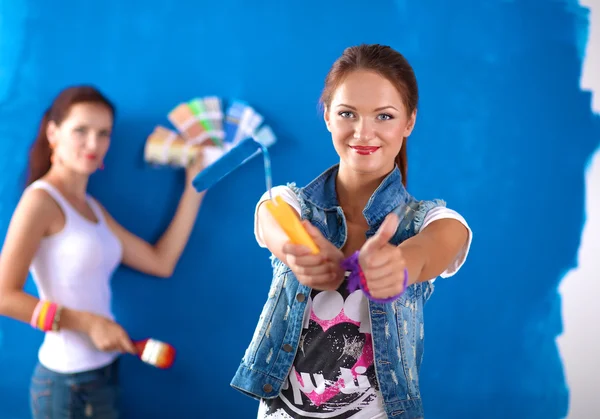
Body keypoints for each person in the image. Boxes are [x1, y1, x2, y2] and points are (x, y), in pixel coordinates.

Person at [230, 44, 473, 419]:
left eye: (384, 116)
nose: (363, 132)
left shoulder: (429, 221)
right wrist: (298, 249)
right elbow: (272, 218)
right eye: (347, 114)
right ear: (327, 116)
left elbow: (435, 246)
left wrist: (400, 265)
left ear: (409, 121)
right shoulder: (290, 203)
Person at [0, 85, 205, 418]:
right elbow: (3, 296)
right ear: (53, 132)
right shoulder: (40, 201)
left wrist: (195, 189)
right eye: (81, 130)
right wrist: (88, 323)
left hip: (105, 373)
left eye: (103, 133)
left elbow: (160, 262)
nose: (93, 144)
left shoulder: (93, 209)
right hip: (64, 386)